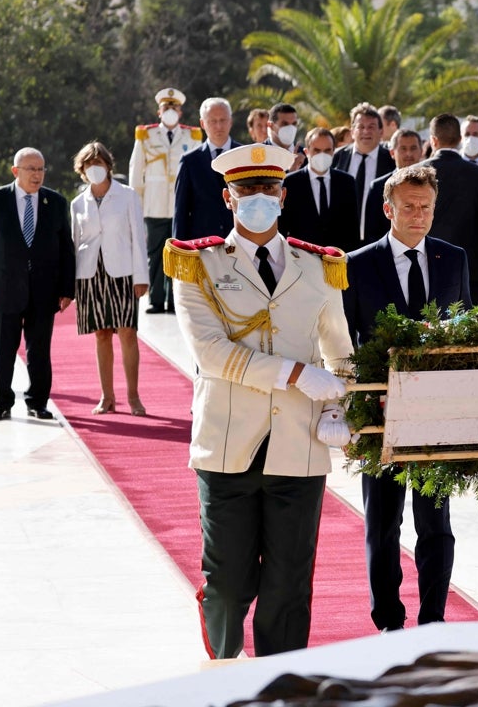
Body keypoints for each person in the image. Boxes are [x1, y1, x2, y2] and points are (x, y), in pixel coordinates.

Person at [164, 143, 353, 659]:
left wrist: (339, 407)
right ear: (228, 198)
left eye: (268, 189)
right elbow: (211, 353)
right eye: (246, 190)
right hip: (227, 445)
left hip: (300, 445)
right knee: (228, 582)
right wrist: (296, 373)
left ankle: (279, 686)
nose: (258, 199)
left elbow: (341, 353)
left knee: (290, 586)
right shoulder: (195, 264)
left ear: (283, 196)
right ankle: (225, 672)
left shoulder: (319, 268)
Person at [343, 164, 471, 631]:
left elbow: (467, 328)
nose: (418, 216)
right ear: (387, 209)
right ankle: (388, 621)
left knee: (436, 522)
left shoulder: (453, 259)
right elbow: (344, 343)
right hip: (381, 413)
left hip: (437, 415)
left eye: (426, 208)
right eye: (409, 207)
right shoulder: (356, 265)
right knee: (383, 522)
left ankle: (433, 618)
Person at [0, 148, 76, 421]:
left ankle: (38, 401)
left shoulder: (55, 202)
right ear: (16, 171)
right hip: (4, 288)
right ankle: (1, 402)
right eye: (31, 169)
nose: (37, 174)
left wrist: (67, 289)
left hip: (44, 290)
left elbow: (67, 248)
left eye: (41, 169)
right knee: (3, 349)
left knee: (39, 350)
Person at [69, 142, 150, 416]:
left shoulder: (127, 196)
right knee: (101, 334)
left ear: (108, 166)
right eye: (89, 165)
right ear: (82, 170)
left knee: (128, 333)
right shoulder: (78, 203)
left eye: (99, 164)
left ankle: (134, 396)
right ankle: (107, 397)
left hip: (123, 272)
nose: (95, 169)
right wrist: (71, 285)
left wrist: (142, 277)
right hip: (90, 274)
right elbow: (75, 242)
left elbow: (138, 237)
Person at [130, 87, 202, 314]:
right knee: (155, 254)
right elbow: (136, 172)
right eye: (166, 108)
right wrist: (136, 205)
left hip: (181, 207)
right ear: (159, 112)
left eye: (174, 108)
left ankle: (174, 301)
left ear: (180, 113)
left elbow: (197, 173)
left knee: (179, 254)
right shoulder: (145, 135)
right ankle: (156, 300)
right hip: (154, 205)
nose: (170, 111)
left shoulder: (192, 137)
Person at [422, 113, 478, 307]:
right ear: (460, 139)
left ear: (433, 140)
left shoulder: (417, 173)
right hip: (471, 273)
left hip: (425, 268)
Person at [279, 128, 359, 251]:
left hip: (338, 260)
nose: (322, 155)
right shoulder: (290, 182)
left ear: (333, 151)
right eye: (317, 150)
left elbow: (352, 227)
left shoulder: (346, 182)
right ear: (306, 152)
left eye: (327, 150)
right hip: (302, 259)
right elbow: (282, 226)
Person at [173, 97, 240, 241]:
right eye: (212, 121)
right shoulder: (189, 162)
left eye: (223, 120)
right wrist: (180, 252)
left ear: (231, 121)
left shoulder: (244, 156)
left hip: (240, 243)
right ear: (202, 123)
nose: (218, 126)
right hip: (203, 245)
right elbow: (181, 212)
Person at [333, 104, 396, 246]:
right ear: (352, 131)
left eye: (372, 126)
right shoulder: (337, 158)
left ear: (381, 131)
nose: (366, 131)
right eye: (360, 127)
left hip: (380, 241)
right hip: (341, 241)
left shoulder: (391, 161)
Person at [361, 129, 427, 250]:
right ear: (392, 152)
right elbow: (371, 233)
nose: (408, 154)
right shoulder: (377, 187)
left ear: (421, 151)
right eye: (403, 148)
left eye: (413, 148)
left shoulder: (431, 186)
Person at [265, 102, 305, 172]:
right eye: (285, 124)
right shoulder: (259, 154)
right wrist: (291, 172)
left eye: (294, 124)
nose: (290, 128)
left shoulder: (306, 155)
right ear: (270, 125)